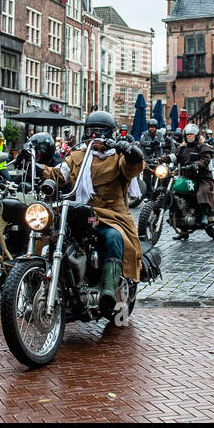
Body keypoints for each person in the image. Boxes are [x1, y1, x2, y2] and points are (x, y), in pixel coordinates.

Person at [38, 110, 144, 318]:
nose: (94, 137)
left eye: (99, 132)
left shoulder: (118, 158)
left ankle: (108, 290)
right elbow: (59, 174)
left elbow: (133, 168)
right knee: (49, 232)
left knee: (113, 237)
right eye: (90, 132)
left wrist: (131, 152)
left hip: (112, 214)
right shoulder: (78, 156)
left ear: (110, 134)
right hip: (80, 212)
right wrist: (35, 165)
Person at [175, 123, 214, 226]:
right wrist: (161, 160)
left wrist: (197, 164)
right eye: (188, 134)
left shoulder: (202, 147)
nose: (190, 136)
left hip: (202, 177)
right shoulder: (182, 148)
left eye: (192, 134)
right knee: (177, 190)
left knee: (203, 190)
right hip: (187, 176)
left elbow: (206, 159)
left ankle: (204, 214)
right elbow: (173, 156)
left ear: (196, 135)